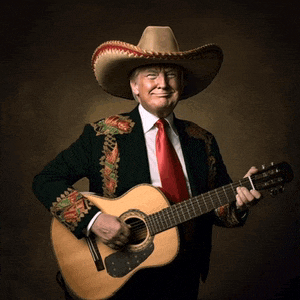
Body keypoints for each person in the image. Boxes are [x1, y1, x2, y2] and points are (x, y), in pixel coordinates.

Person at [33, 26, 261, 300]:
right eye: (151, 75)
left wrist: (239, 203)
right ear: (134, 86)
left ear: (182, 84)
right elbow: (45, 181)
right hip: (119, 275)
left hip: (184, 277)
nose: (162, 83)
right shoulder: (102, 135)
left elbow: (218, 209)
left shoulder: (202, 141)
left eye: (172, 75)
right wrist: (94, 221)